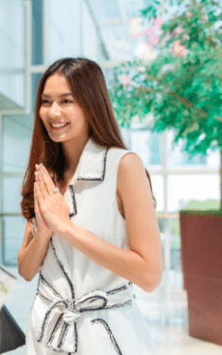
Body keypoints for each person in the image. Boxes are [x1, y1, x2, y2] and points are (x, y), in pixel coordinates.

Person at [17, 58, 162, 354]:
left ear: (91, 104)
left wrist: (65, 228)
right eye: (46, 102)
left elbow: (149, 275)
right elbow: (26, 269)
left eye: (66, 101)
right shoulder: (47, 173)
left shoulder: (124, 166)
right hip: (46, 332)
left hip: (105, 334)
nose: (53, 112)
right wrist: (44, 231)